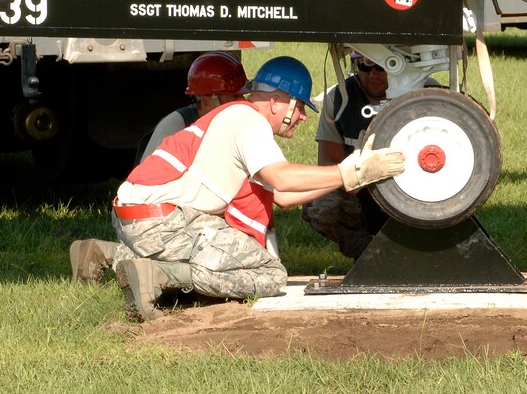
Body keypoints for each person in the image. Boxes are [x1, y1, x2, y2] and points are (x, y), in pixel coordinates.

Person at [109, 56, 405, 321]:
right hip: (163, 223)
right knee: (270, 275)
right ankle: (159, 274)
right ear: (277, 101)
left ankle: (117, 256)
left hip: (142, 219)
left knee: (236, 257)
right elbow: (282, 179)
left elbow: (283, 196)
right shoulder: (249, 121)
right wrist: (352, 170)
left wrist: (351, 177)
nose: (302, 116)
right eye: (300, 106)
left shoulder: (238, 117)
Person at [69, 52, 250, 284]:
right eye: (234, 96)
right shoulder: (178, 124)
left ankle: (107, 253)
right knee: (201, 251)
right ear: (208, 100)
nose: (242, 103)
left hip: (166, 211)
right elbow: (150, 188)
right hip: (149, 214)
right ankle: (107, 254)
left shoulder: (217, 122)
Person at [302, 52, 394, 259]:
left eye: (381, 67)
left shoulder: (426, 91)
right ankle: (368, 257)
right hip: (360, 193)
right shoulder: (338, 97)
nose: (373, 74)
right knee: (321, 203)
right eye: (364, 66)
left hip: (417, 195)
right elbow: (328, 164)